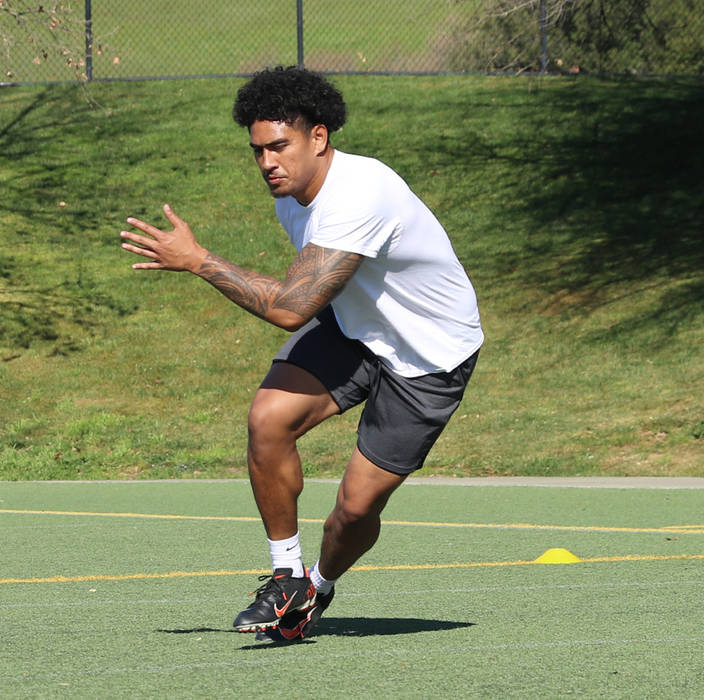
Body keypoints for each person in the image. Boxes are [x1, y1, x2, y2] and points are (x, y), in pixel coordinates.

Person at [120, 66, 483, 641]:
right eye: (258, 150)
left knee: (354, 511)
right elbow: (311, 300)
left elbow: (290, 307)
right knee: (268, 419)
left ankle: (318, 586)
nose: (267, 162)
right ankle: (286, 575)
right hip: (355, 329)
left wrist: (199, 261)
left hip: (429, 355)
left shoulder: (362, 191)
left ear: (320, 136)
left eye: (279, 146)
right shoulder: (291, 199)